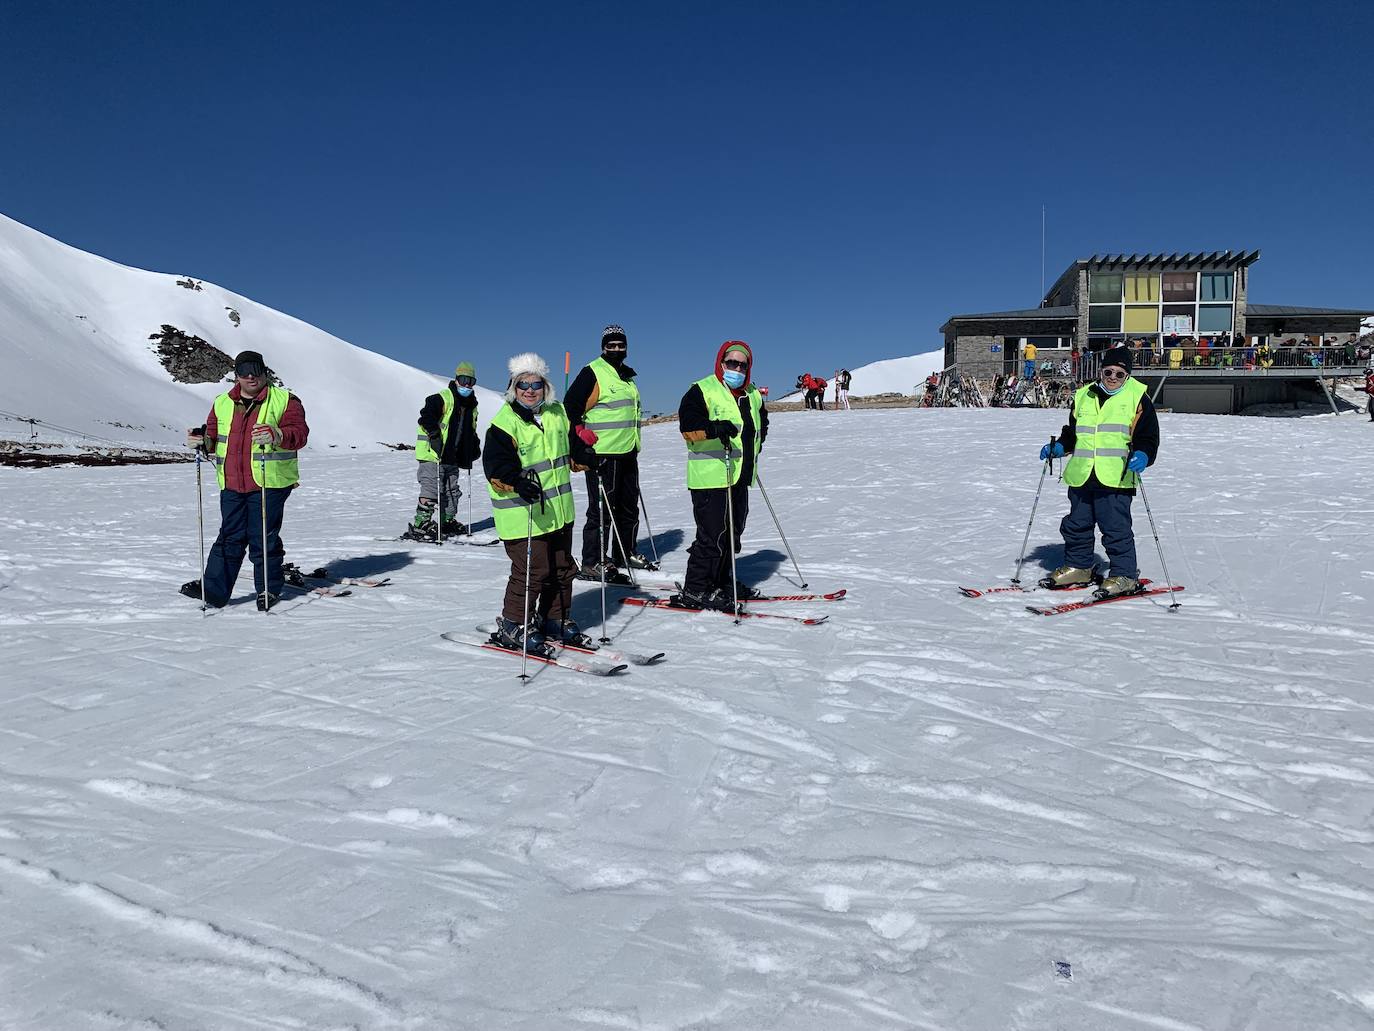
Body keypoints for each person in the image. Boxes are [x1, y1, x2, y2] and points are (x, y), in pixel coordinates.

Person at [181, 350, 309, 609]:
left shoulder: (285, 400)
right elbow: (214, 438)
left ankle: (268, 589)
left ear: (264, 371)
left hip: (269, 483)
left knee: (262, 537)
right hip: (231, 483)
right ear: (236, 375)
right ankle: (214, 590)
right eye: (243, 370)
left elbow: (300, 433)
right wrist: (202, 441)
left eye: (255, 369)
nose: (250, 375)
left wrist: (277, 434)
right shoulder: (222, 403)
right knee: (229, 535)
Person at [481, 353, 590, 654]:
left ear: (546, 386)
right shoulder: (504, 424)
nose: (530, 390)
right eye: (522, 385)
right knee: (532, 569)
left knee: (562, 567)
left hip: (558, 511)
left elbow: (571, 450)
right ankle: (514, 623)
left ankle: (554, 617)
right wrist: (516, 481)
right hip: (523, 515)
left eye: (536, 384)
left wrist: (586, 456)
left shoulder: (557, 414)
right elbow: (495, 466)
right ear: (513, 389)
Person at [1036, 344, 1160, 600]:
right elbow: (1073, 432)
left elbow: (1148, 436)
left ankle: (1124, 574)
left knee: (1115, 528)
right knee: (1077, 525)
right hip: (1082, 475)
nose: (1113, 378)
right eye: (1108, 372)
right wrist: (1060, 446)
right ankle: (1080, 567)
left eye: (1119, 374)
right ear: (1101, 371)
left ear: (1127, 376)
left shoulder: (1138, 398)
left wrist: (1144, 454)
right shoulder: (1083, 395)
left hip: (1116, 476)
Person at [671, 341, 768, 611]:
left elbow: (762, 424)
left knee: (733, 534)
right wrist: (715, 429)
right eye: (732, 363)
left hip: (740, 475)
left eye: (742, 364)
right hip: (710, 476)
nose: (737, 368)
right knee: (712, 534)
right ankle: (697, 587)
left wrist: (754, 448)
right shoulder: (702, 390)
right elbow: (688, 426)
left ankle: (722, 581)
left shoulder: (752, 394)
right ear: (721, 363)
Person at [564, 324, 652, 583]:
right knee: (602, 509)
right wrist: (580, 433)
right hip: (602, 453)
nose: (616, 349)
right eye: (611, 345)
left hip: (627, 451)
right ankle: (593, 561)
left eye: (620, 345)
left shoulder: (625, 376)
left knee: (628, 507)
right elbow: (570, 407)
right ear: (603, 347)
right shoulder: (592, 372)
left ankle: (625, 553)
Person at [404, 361, 481, 541]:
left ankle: (446, 521)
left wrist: (473, 446)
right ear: (456, 380)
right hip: (433, 454)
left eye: (471, 381)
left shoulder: (471, 405)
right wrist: (434, 435)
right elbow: (426, 417)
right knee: (431, 488)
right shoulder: (441, 398)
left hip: (452, 456)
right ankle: (421, 524)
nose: (467, 384)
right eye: (463, 380)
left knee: (452, 491)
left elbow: (470, 429)